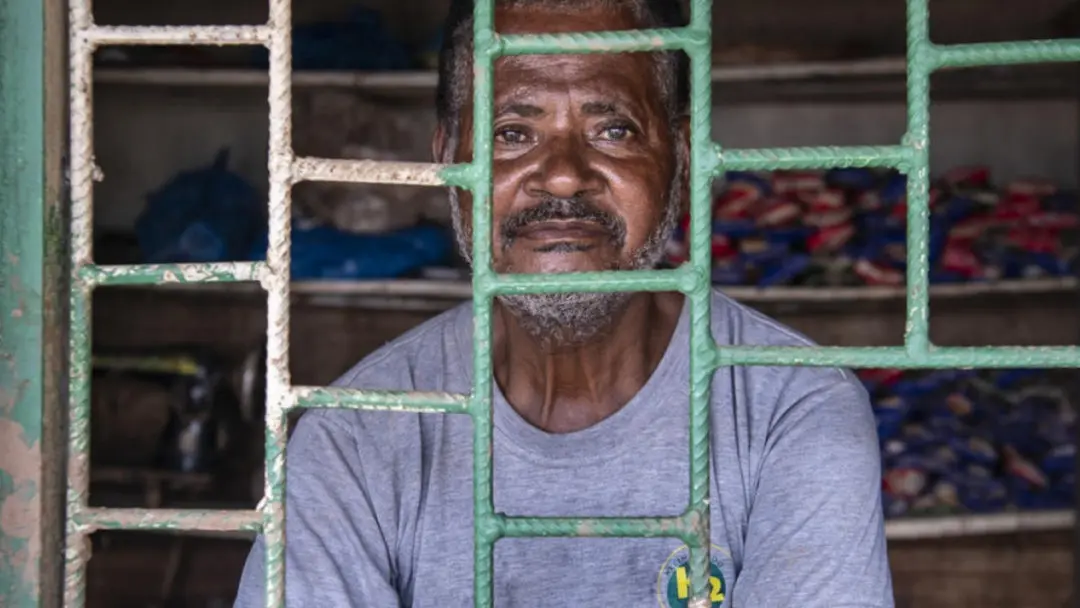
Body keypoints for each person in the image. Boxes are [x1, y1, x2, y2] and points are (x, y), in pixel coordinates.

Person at [234, 0, 894, 605]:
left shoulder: (795, 410)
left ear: (680, 156)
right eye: (512, 131)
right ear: (447, 160)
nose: (562, 174)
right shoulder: (354, 438)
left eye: (613, 129)